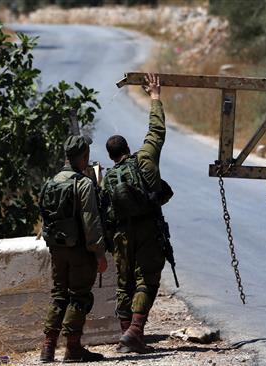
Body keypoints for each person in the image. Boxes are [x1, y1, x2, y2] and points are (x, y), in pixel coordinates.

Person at [102, 73, 169, 354]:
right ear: (128, 149)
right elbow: (157, 131)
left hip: (121, 235)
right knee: (147, 280)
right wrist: (154, 96)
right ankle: (135, 331)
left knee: (124, 283)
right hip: (147, 230)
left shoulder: (107, 178)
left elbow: (104, 214)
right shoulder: (144, 159)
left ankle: (128, 338)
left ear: (110, 156)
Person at [39, 135, 108, 363]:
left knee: (59, 295)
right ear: (84, 157)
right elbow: (90, 220)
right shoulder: (84, 183)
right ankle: (73, 348)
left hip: (57, 249)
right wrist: (99, 252)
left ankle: (47, 348)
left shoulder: (51, 182)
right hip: (79, 250)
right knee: (79, 296)